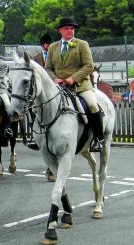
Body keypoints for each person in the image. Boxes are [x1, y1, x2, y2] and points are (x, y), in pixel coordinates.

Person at [45, 16, 103, 152]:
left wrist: (73, 78)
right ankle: (40, 138)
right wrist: (54, 79)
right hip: (59, 86)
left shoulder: (82, 44)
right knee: (42, 104)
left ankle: (98, 139)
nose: (70, 31)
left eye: (72, 29)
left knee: (93, 105)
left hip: (80, 85)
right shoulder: (53, 47)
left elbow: (89, 66)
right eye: (67, 28)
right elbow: (48, 68)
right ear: (60, 30)